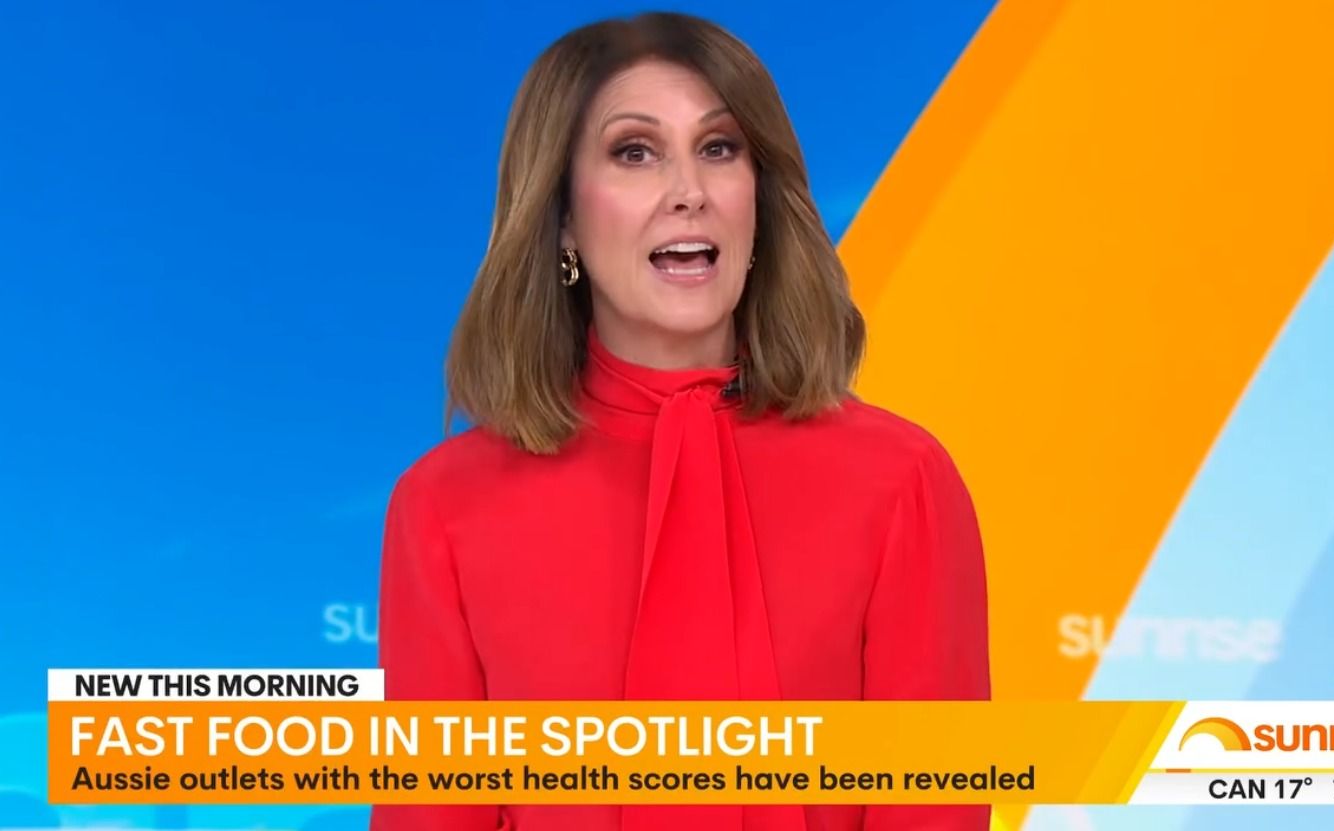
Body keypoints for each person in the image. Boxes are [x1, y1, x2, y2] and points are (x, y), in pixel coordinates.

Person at [370, 11, 989, 831]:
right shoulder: (445, 507)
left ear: (758, 199)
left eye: (719, 148)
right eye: (635, 152)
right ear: (562, 217)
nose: (689, 191)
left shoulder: (902, 482)